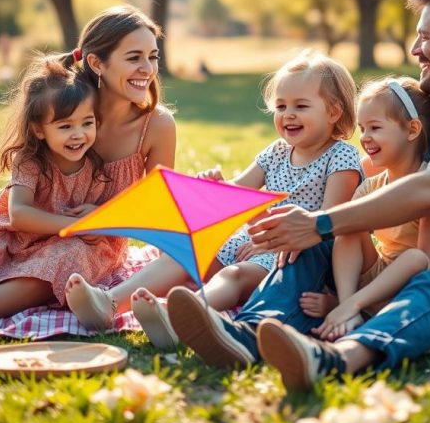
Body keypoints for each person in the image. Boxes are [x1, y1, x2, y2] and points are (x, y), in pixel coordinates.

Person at [165, 0, 430, 390]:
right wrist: (307, 224)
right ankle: (248, 333)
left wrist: (321, 222)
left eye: (425, 37)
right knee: (316, 238)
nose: (415, 49)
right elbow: (369, 171)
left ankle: (337, 358)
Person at [116, 49, 364, 349]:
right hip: (250, 241)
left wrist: (267, 240)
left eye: (301, 106)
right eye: (281, 106)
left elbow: (327, 223)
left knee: (234, 275)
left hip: (291, 255)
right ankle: (110, 302)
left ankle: (175, 319)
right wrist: (216, 186)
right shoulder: (276, 152)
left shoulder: (341, 157)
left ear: (334, 112)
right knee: (186, 252)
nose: (288, 115)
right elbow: (236, 193)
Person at [299, 76, 430, 342]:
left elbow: (428, 257)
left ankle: (349, 305)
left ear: (412, 129)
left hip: (416, 286)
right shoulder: (372, 186)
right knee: (347, 225)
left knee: (415, 256)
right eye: (362, 129)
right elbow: (347, 233)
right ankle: (348, 307)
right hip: (377, 279)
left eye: (375, 128)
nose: (365, 138)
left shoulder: (429, 187)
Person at [62, 4, 177, 328]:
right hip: (44, 225)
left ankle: (107, 304)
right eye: (134, 57)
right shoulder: (68, 113)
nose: (147, 68)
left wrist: (102, 222)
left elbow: (159, 211)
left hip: (95, 248)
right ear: (97, 63)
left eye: (153, 57)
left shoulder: (157, 125)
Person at [0, 57, 111, 316]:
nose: (78, 134)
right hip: (15, 237)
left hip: (58, 248)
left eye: (87, 123)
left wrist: (97, 224)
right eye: (65, 126)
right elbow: (19, 215)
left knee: (69, 261)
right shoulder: (30, 161)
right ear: (39, 130)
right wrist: (74, 226)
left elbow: (101, 219)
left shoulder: (96, 167)